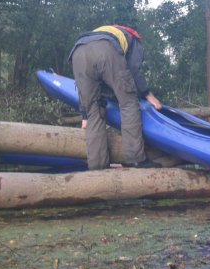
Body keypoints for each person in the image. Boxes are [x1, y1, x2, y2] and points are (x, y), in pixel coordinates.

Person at [68, 24, 162, 170]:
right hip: (105, 50)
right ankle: (135, 159)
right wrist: (147, 94)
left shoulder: (104, 30)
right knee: (129, 102)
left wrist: (84, 114)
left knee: (94, 111)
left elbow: (85, 90)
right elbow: (133, 70)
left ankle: (97, 166)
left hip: (77, 52)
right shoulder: (134, 40)